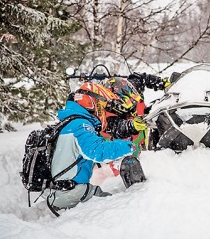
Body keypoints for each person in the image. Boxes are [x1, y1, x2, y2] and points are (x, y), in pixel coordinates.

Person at [45, 82, 145, 214]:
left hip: (65, 191)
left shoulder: (69, 123)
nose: (103, 111)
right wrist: (129, 146)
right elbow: (97, 151)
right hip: (72, 194)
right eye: (103, 106)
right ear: (92, 102)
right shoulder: (81, 124)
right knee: (122, 210)